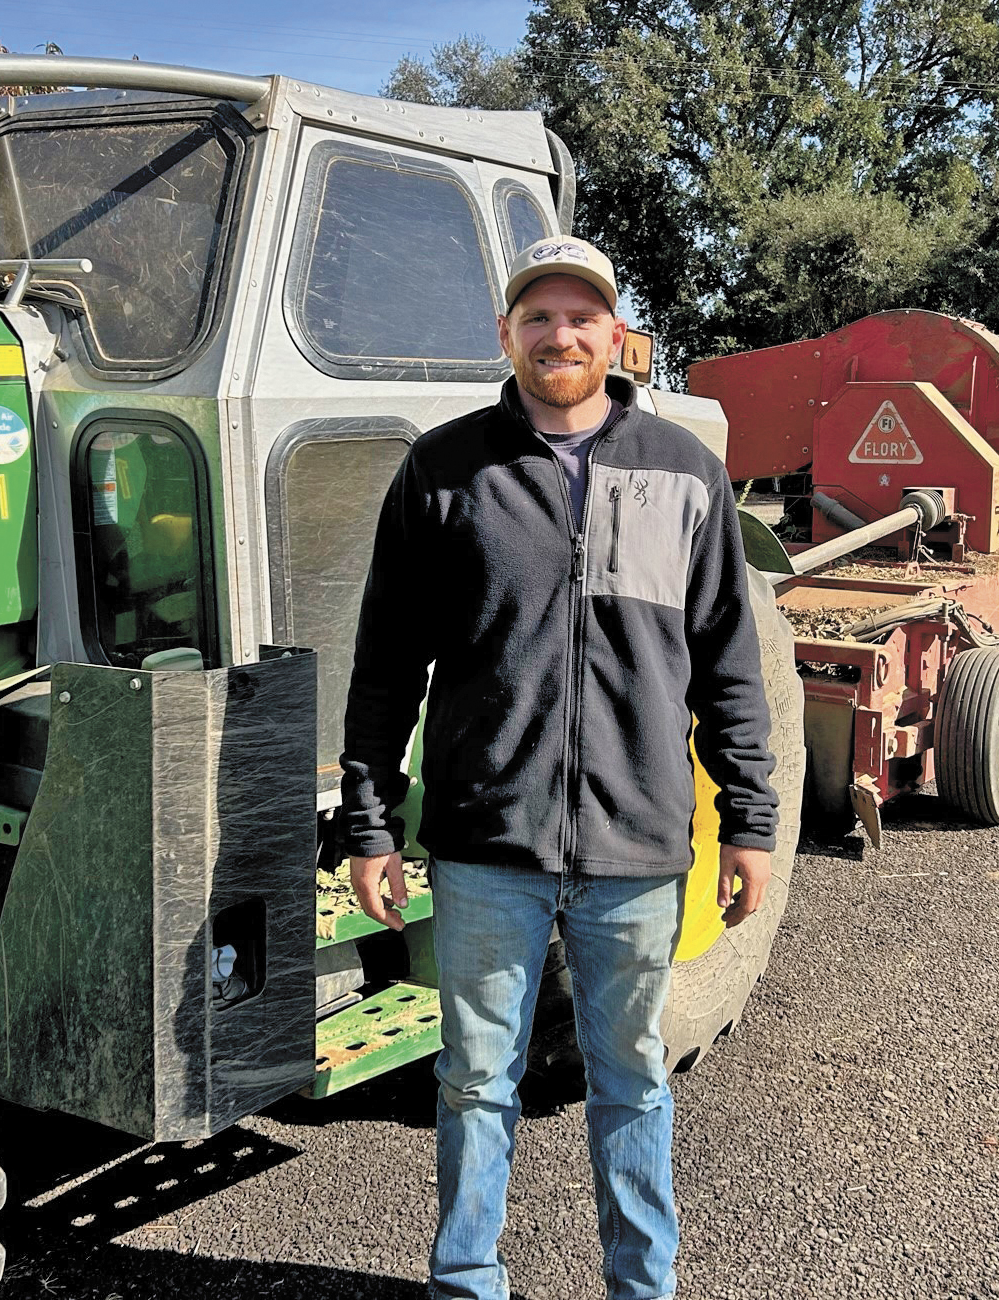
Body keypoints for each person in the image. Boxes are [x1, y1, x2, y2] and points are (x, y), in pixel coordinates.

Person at [336, 235, 779, 1300]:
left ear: (617, 335)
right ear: (506, 334)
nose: (560, 335)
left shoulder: (684, 474)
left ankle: (641, 1288)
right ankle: (467, 1282)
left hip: (636, 849)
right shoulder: (444, 471)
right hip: (488, 846)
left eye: (582, 317)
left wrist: (752, 821)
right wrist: (369, 823)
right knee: (474, 1083)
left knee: (633, 1084)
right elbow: (386, 664)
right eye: (539, 316)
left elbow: (728, 665)